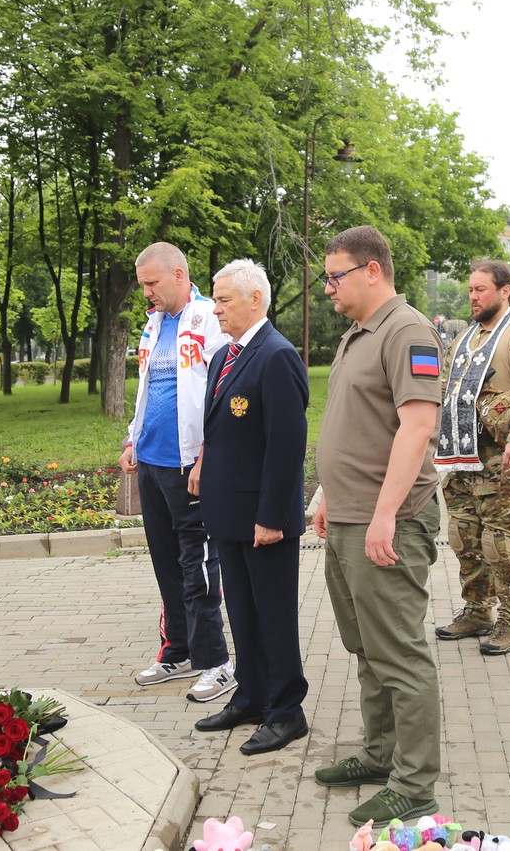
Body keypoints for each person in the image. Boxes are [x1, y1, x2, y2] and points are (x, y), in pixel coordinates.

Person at [312, 225, 444, 827]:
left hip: (385, 521)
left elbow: (416, 429)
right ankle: (378, 753)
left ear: (371, 270)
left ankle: (414, 785)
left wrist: (386, 516)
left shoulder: (407, 331)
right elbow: (356, 425)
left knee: (400, 654)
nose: (328, 287)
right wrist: (324, 492)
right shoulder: (355, 336)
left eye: (335, 275)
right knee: (366, 647)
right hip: (347, 515)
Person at [190, 260, 311, 754]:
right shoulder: (226, 356)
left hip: (263, 520)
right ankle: (253, 695)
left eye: (223, 300)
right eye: (216, 300)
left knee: (274, 616)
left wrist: (272, 517)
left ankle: (286, 711)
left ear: (254, 300)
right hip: (228, 514)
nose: (215, 309)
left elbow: (286, 447)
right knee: (242, 611)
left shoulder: (277, 355)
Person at [119, 242, 233, 702]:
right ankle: (177, 652)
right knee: (166, 561)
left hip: (190, 463)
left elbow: (225, 391)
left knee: (199, 565)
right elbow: (148, 388)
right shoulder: (153, 324)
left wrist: (209, 454)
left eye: (152, 283)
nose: (146, 292)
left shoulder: (209, 320)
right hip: (152, 461)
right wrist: (132, 437)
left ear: (179, 274)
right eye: (142, 283)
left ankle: (218, 662)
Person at [434, 260, 510, 656]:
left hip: (500, 458)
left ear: (505, 291)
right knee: (464, 539)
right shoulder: (464, 338)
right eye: (470, 290)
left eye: (481, 289)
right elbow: (446, 390)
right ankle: (477, 611)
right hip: (460, 460)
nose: (473, 296)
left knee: (500, 542)